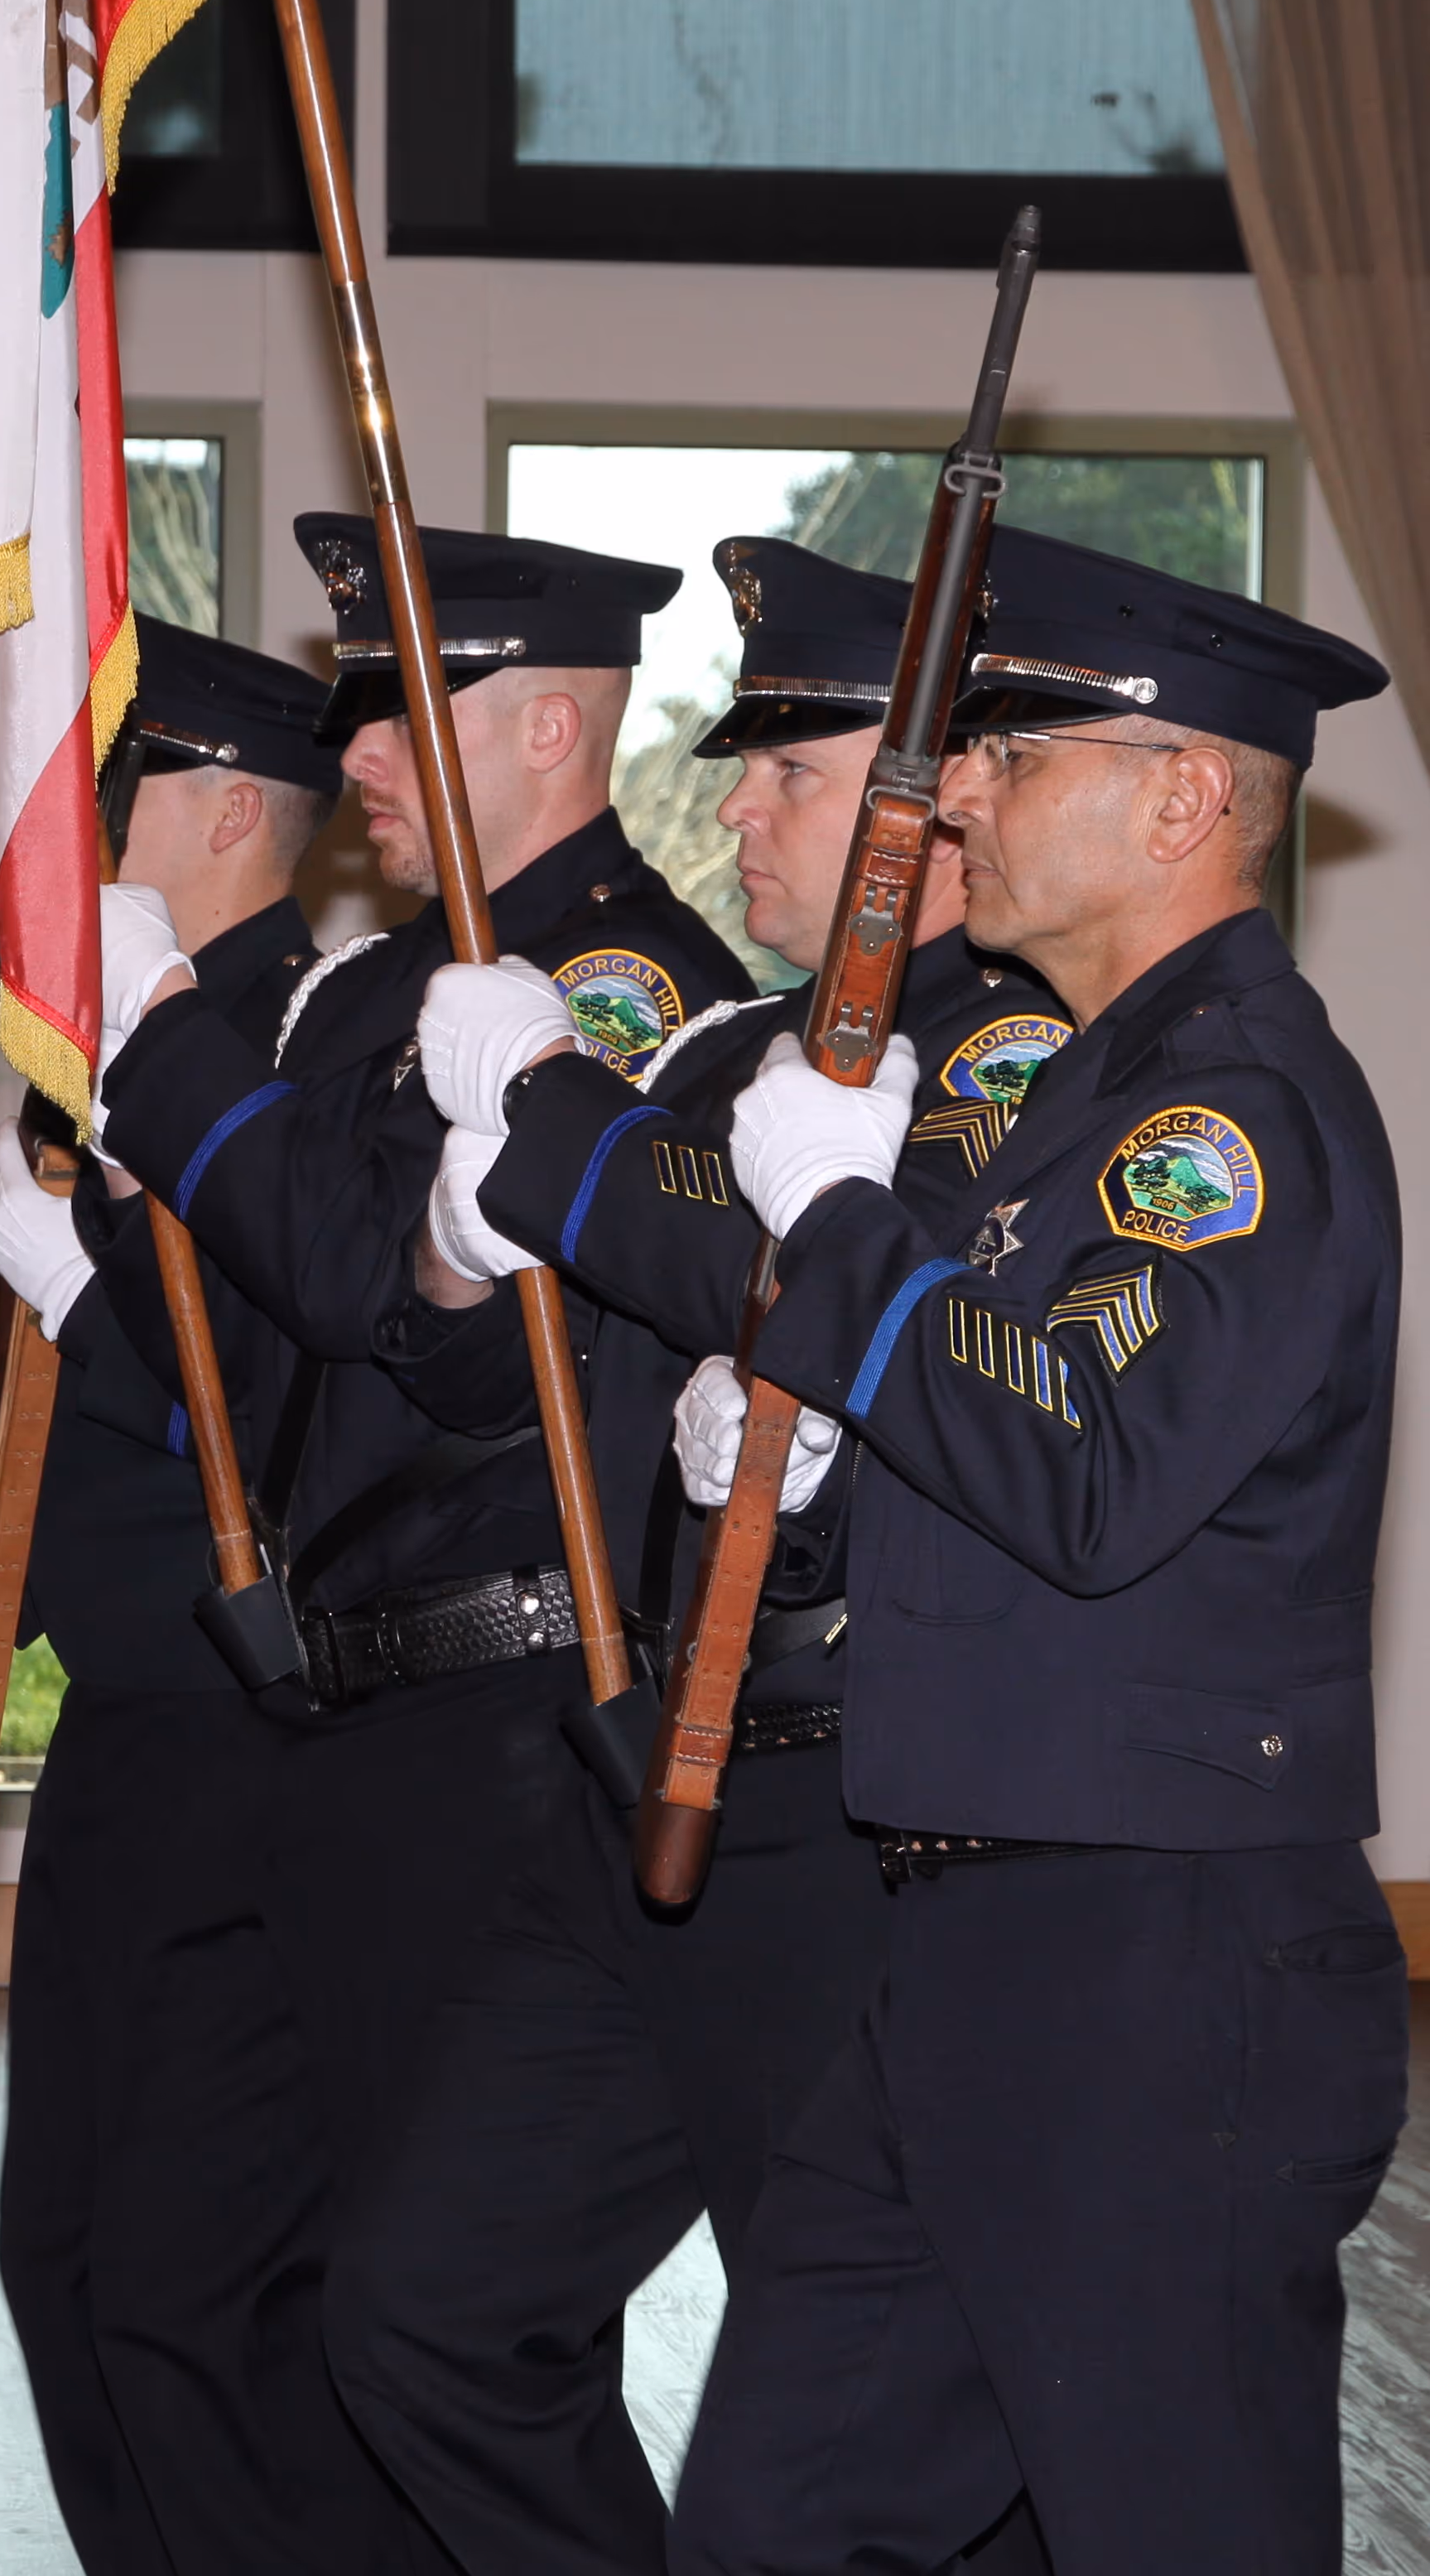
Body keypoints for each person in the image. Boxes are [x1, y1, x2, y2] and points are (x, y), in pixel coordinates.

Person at [652, 531, 1406, 2575]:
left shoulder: (1228, 1115)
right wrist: (832, 1470)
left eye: (1011, 745)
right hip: (974, 1937)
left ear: (1180, 799)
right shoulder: (1085, 1097)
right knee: (776, 2521)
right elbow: (1007, 1444)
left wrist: (846, 1241)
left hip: (1150, 1967)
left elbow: (1088, 1462)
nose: (956, 790)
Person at [319, 537, 1066, 2576]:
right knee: (421, 2306)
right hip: (638, 1776)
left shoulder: (1004, 1057)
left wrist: (562, 1130)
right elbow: (509, 1328)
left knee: (873, 2434)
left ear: (930, 811)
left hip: (840, 1812)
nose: (731, 803)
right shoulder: (729, 1047)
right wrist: (469, 1236)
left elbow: (807, 1254)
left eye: (792, 772)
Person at [91, 516, 752, 2561]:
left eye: (406, 701)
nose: (357, 743)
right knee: (243, 2293)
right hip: (348, 1710)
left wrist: (162, 1050)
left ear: (548, 722)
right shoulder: (421, 977)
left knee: (437, 2326)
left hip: (503, 1715)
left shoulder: (616, 982)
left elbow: (357, 1274)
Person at [0, 619, 408, 2576]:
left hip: (275, 1741)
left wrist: (91, 1291)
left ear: (211, 810)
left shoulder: (331, 1044)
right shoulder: (94, 1050)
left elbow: (296, 1406)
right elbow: (29, 1386)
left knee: (198, 2293)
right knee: (65, 2258)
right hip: (132, 1726)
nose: (62, 844)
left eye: (99, 802)